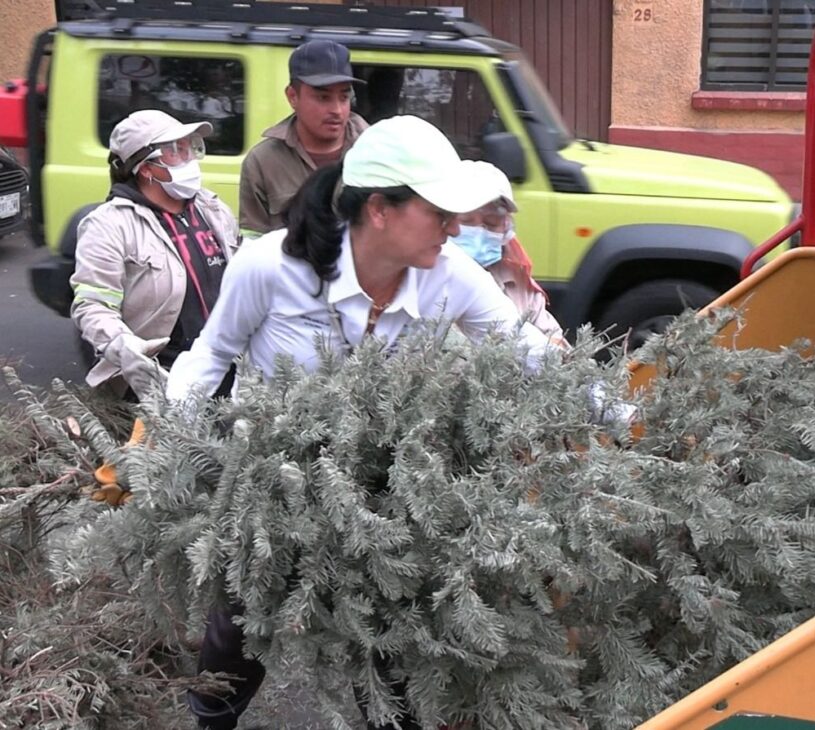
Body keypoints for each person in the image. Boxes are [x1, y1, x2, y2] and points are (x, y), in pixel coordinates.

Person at [168, 115, 554, 730]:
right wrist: (171, 446)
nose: (455, 228)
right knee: (241, 628)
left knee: (386, 638)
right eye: (439, 213)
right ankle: (213, 717)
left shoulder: (448, 275)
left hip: (379, 494)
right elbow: (211, 355)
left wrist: (623, 411)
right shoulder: (271, 268)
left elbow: (522, 349)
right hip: (271, 489)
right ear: (379, 209)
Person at [71, 109, 239, 402]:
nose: (189, 158)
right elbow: (92, 304)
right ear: (146, 169)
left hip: (228, 372)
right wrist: (121, 345)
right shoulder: (108, 225)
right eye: (176, 150)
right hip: (163, 382)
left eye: (190, 147)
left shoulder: (212, 208)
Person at [238, 39, 368, 238]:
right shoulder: (262, 162)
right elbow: (252, 241)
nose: (337, 110)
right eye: (323, 98)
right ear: (292, 96)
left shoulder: (374, 151)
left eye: (344, 97)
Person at [450, 161, 566, 345]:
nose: (479, 231)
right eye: (467, 220)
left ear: (507, 228)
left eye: (491, 222)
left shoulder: (516, 280)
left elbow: (555, 343)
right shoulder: (427, 277)